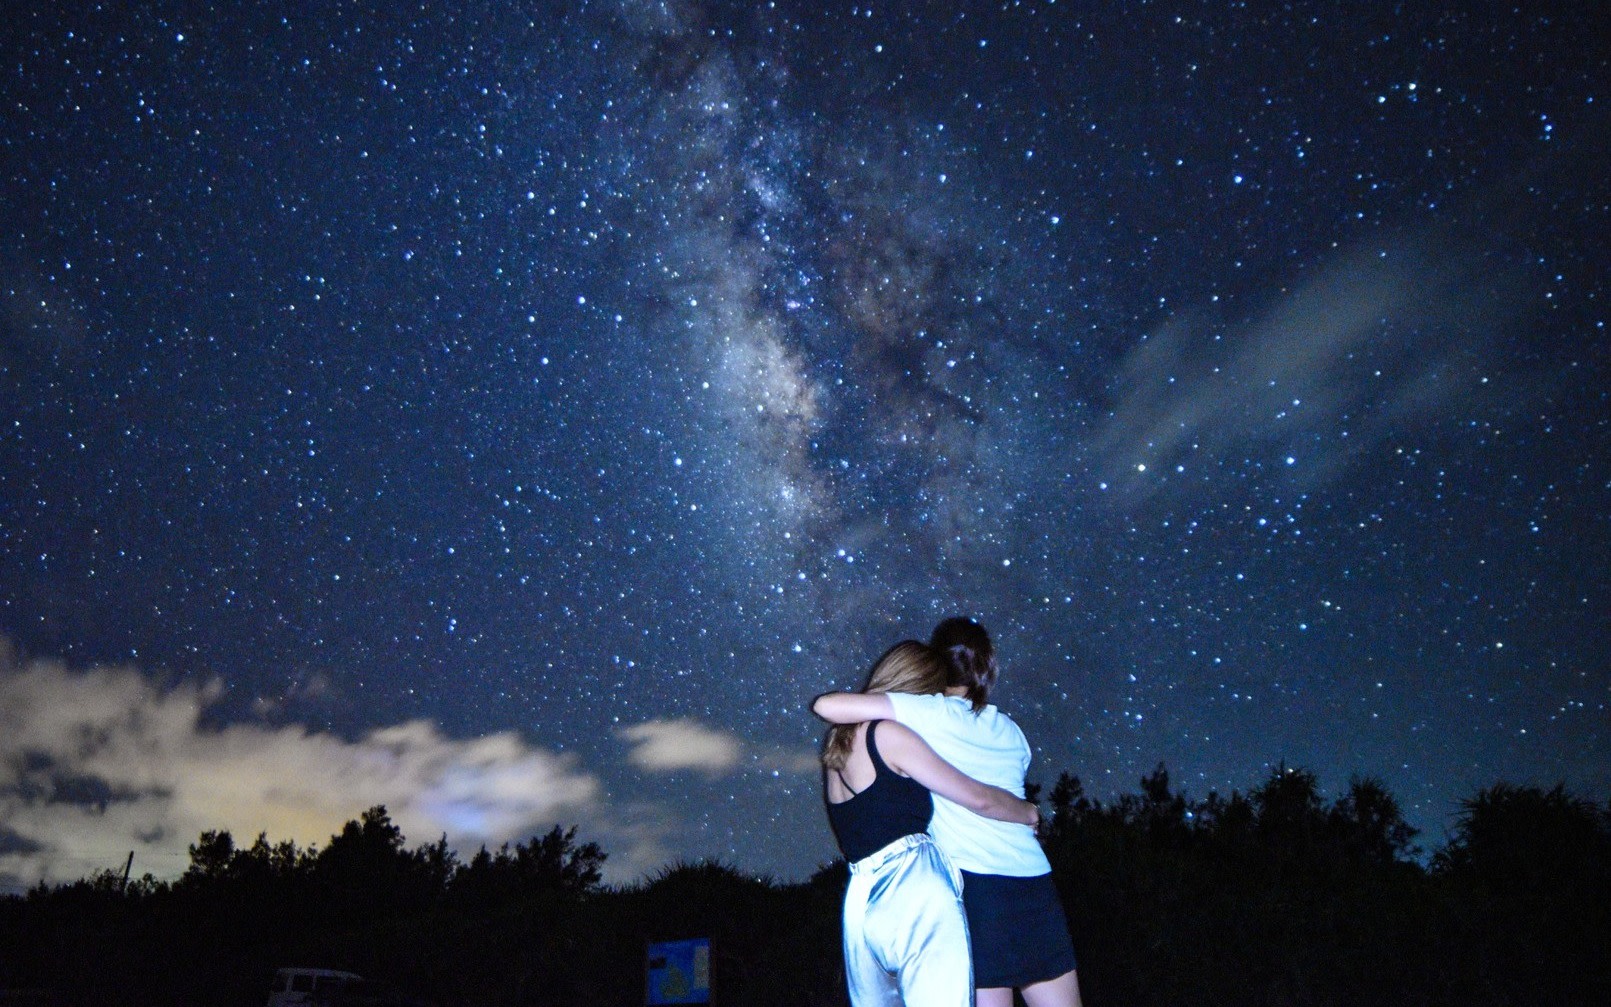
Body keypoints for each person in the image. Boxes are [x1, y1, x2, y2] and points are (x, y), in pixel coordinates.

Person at [814, 619, 1084, 1007]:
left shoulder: (918, 717)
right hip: (1030, 879)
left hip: (952, 886)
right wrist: (1028, 813)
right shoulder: (1011, 731)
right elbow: (985, 794)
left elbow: (828, 705)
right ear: (986, 670)